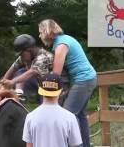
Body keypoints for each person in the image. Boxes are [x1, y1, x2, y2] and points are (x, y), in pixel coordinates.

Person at [38, 19, 98, 147]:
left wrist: (43, 81)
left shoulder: (61, 45)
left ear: (47, 31)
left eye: (41, 32)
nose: (40, 35)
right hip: (88, 78)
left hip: (83, 80)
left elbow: (56, 74)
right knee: (80, 116)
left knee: (68, 115)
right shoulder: (65, 39)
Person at [22, 73, 82, 147]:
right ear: (61, 91)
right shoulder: (70, 117)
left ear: (40, 89)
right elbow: (75, 145)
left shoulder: (30, 117)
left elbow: (29, 145)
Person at [0, 34, 53, 100]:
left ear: (29, 50)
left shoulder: (43, 57)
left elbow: (31, 72)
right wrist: (2, 84)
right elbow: (13, 68)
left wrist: (12, 82)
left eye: (21, 54)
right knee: (20, 71)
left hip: (53, 87)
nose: (21, 56)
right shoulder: (24, 56)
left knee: (25, 73)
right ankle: (19, 94)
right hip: (41, 83)